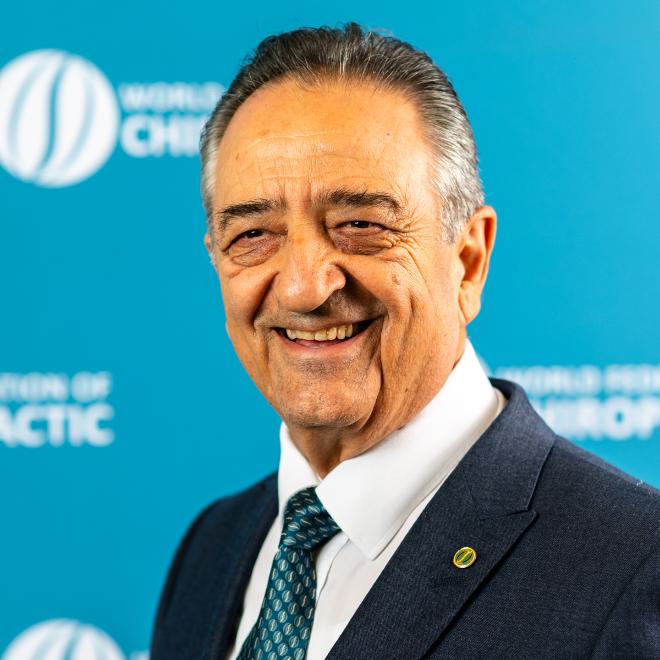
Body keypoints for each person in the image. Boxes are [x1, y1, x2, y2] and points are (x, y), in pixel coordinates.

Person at [150, 24, 660, 659]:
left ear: (468, 261)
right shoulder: (211, 549)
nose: (304, 287)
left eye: (361, 224)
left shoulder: (638, 570)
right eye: (253, 235)